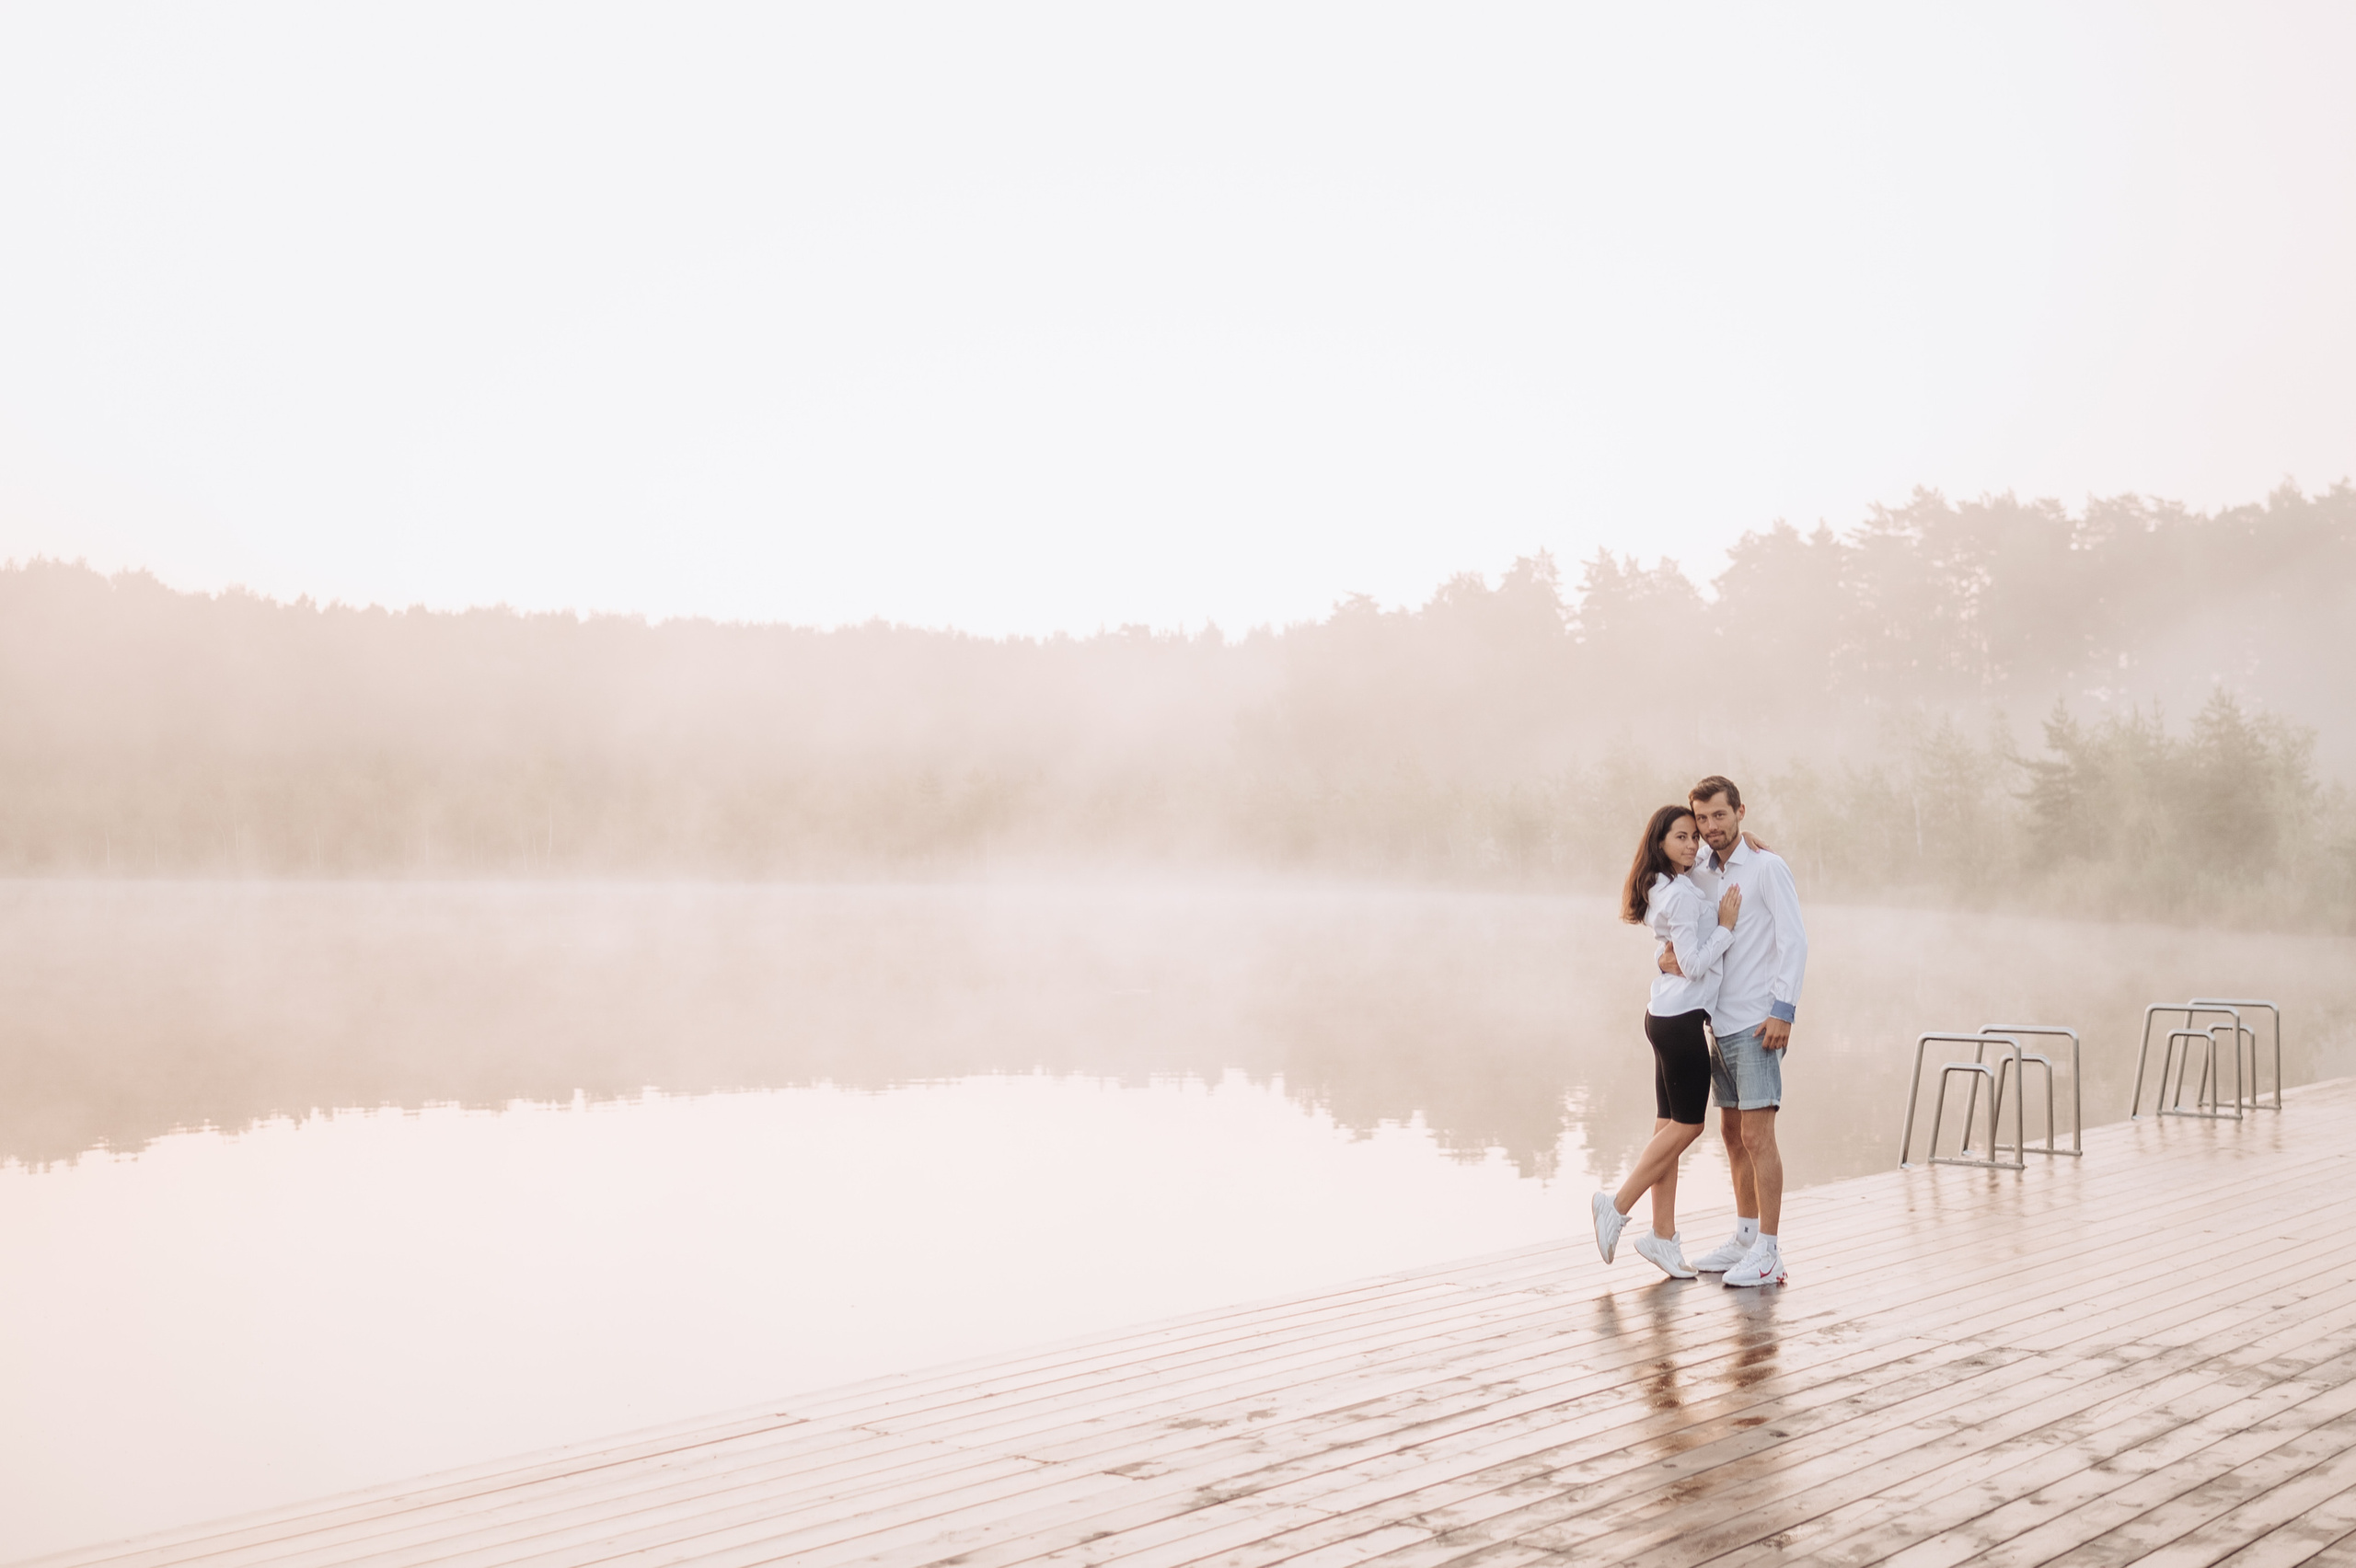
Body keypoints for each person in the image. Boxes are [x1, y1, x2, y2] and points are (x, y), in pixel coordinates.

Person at [1657, 775, 1808, 1288]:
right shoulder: (1700, 869)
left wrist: (1783, 1010)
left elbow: (1795, 941)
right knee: (1730, 1134)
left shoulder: (1768, 868)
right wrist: (1666, 958)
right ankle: (1744, 1237)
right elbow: (1677, 919)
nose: (1709, 828)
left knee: (1757, 1136)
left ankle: (1769, 1252)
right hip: (1717, 1025)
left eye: (1719, 816)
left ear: (1740, 811)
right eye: (1701, 820)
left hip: (1758, 1022)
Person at [1591, 803, 1742, 1280]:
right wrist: (1726, 927)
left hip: (1666, 1014)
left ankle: (1663, 1236)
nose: (1693, 845)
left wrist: (1745, 836)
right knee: (1689, 1126)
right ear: (1660, 842)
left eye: (1694, 837)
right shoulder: (1675, 895)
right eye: (1682, 837)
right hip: (1679, 1021)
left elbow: (1676, 949)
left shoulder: (1671, 880)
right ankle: (1615, 1206)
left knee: (1667, 1130)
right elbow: (1694, 964)